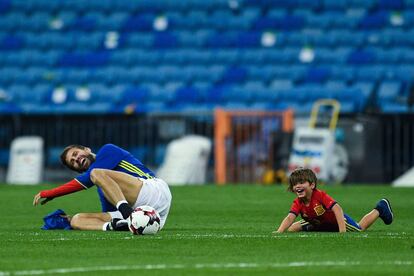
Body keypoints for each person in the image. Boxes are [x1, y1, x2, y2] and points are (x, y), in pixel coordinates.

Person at [33, 144, 172, 232]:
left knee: (96, 173)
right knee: (77, 220)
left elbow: (88, 178)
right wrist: (70, 219)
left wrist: (51, 193)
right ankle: (116, 227)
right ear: (76, 169)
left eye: (75, 154)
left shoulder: (108, 150)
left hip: (154, 191)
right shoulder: (103, 185)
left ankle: (127, 214)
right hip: (147, 213)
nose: (76, 159)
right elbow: (108, 214)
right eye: (73, 162)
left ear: (87, 149)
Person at [275, 167, 393, 233]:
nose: (297, 186)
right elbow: (290, 217)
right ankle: (316, 227)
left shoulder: (320, 195)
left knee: (360, 228)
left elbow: (337, 209)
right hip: (318, 221)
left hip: (337, 221)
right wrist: (279, 232)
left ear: (312, 185)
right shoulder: (298, 202)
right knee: (291, 229)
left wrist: (342, 231)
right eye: (295, 184)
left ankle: (380, 208)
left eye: (301, 183)